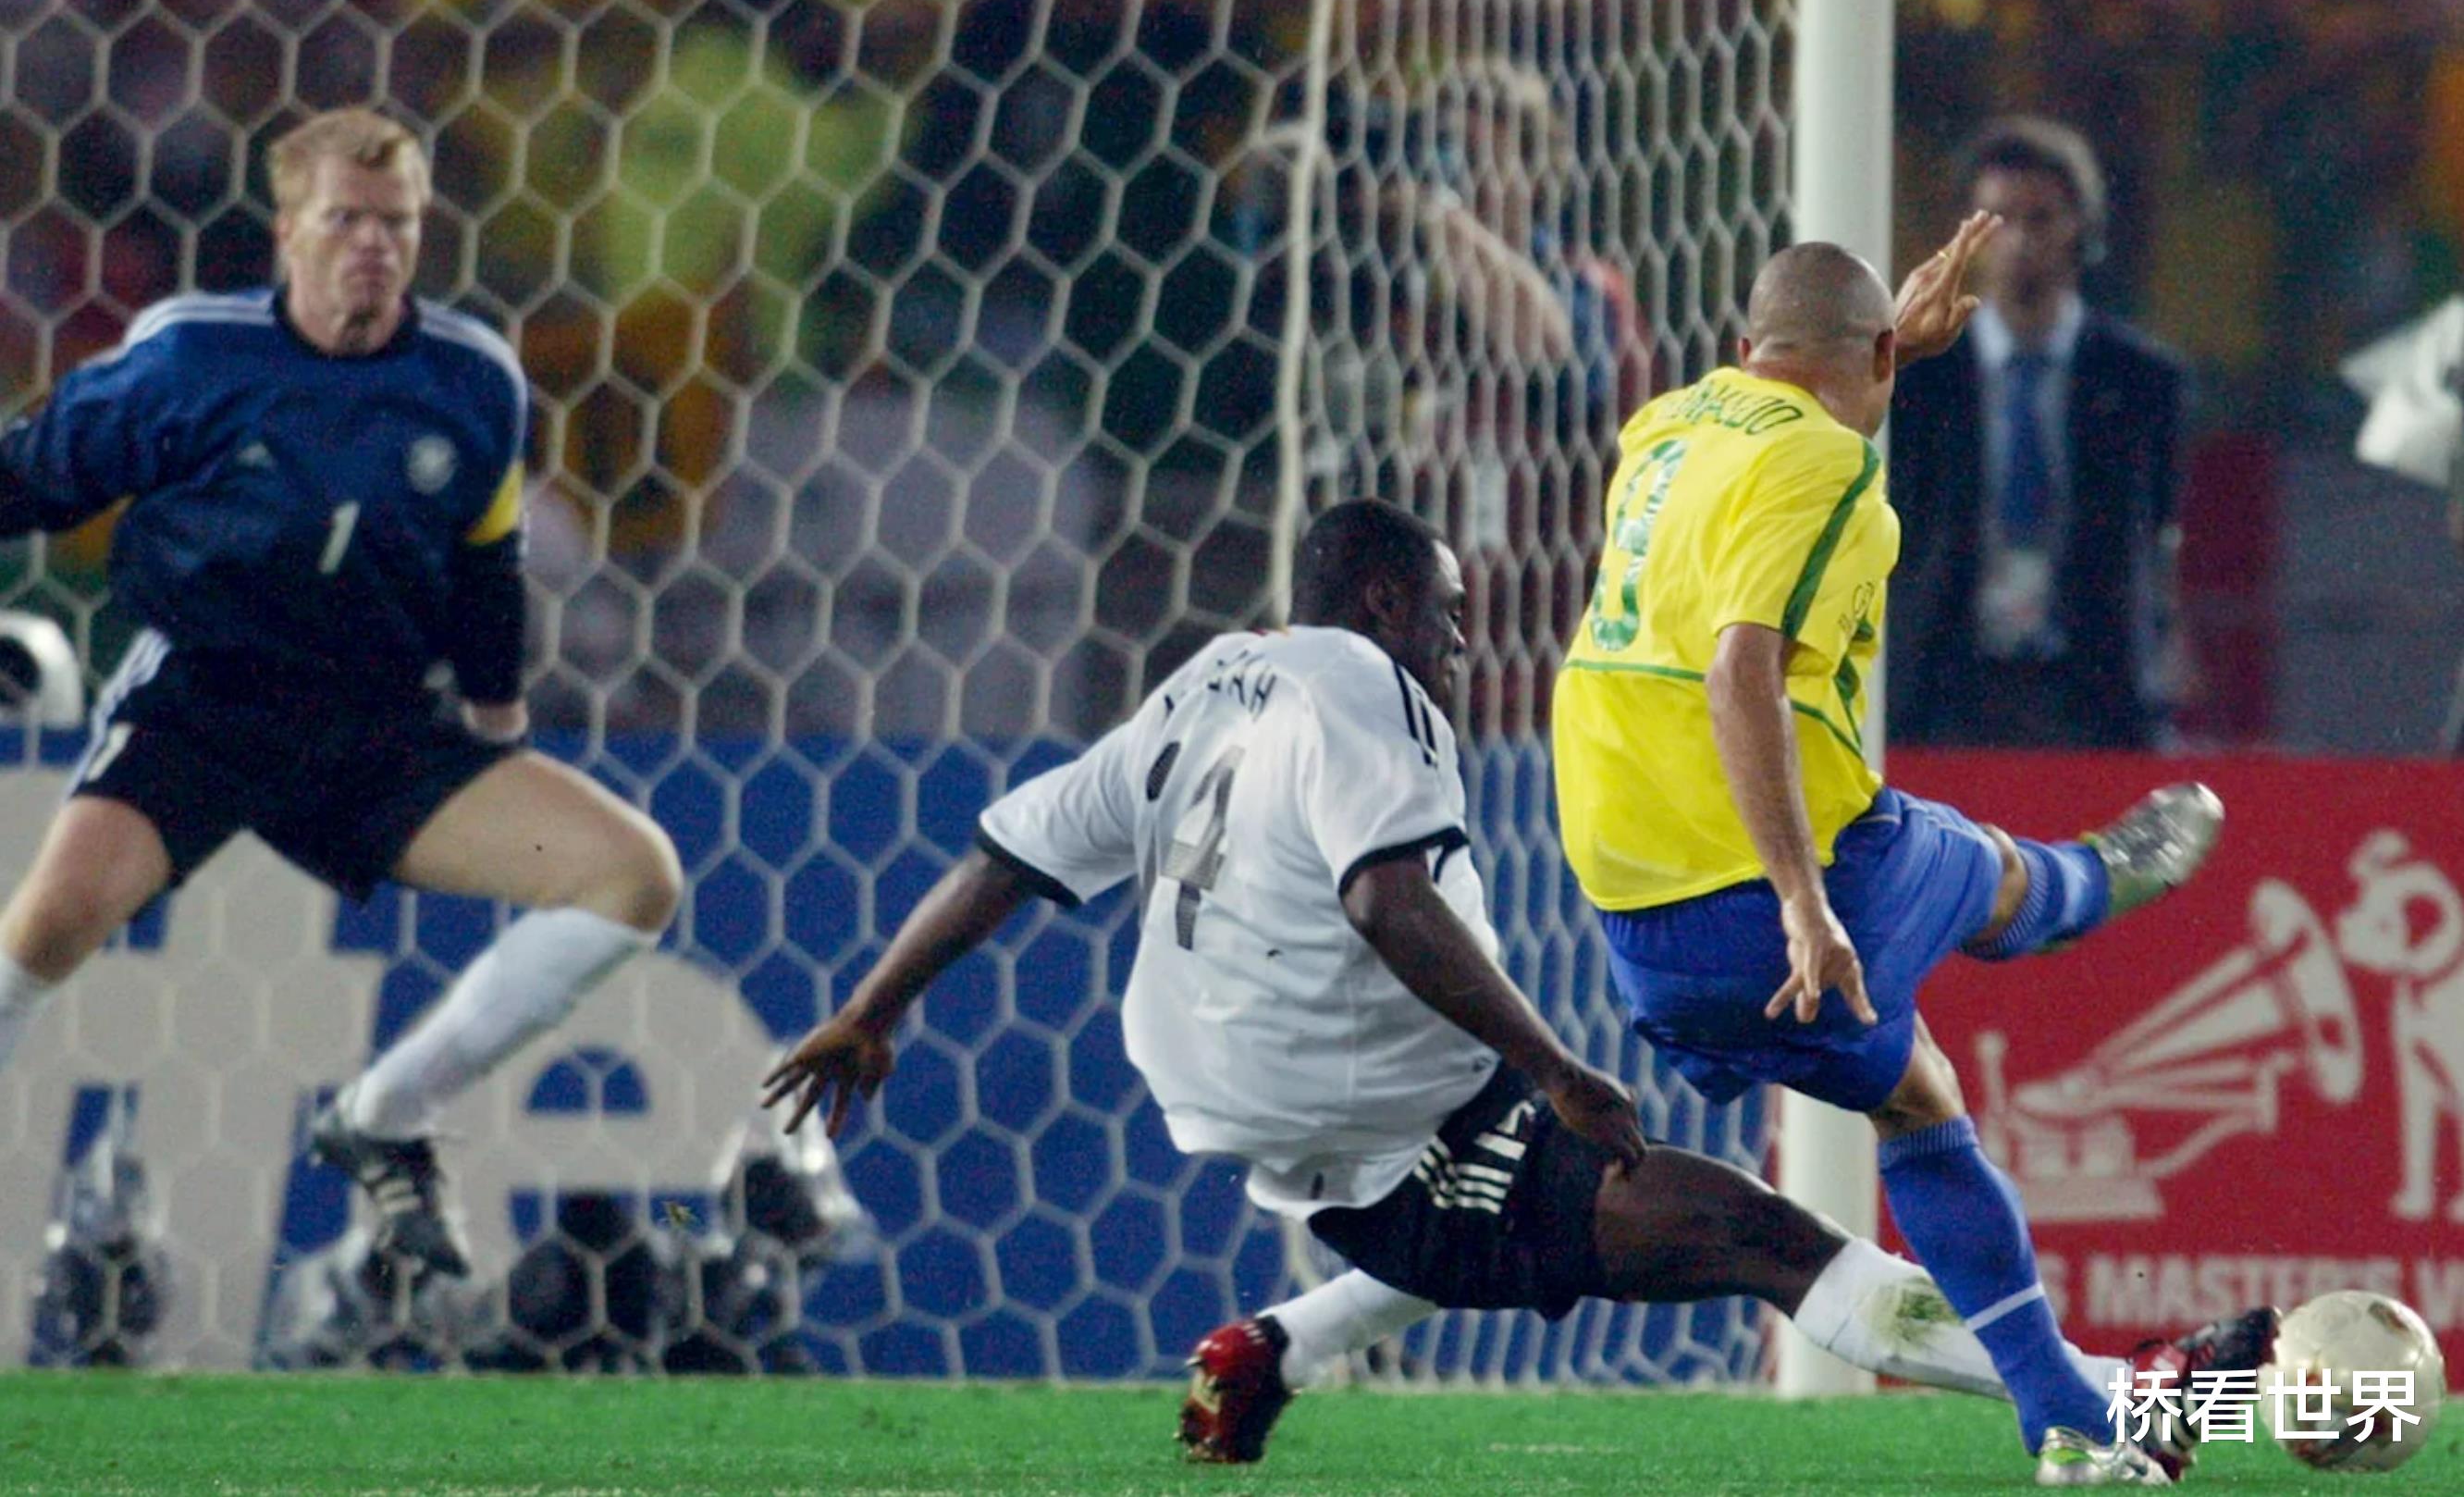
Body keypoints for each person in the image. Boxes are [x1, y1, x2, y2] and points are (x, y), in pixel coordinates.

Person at [761, 499, 2258, 1487]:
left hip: (1269, 1088)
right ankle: (2120, 1399)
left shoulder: (1209, 680)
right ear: (1378, 596)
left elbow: (1009, 852)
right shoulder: (1369, 685)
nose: (1462, 639)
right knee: (1749, 1232)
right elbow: (1387, 898)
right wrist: (1551, 1062)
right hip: (1363, 1103)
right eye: (1449, 609)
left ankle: (1271, 1345)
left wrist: (872, 1007)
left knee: (1487, 1209)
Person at [1532, 221, 2268, 1482]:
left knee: (1915, 1091)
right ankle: (2103, 874)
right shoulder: (1832, 468)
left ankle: (2070, 1419)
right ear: (1875, 354)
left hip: (1636, 929)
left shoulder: (1663, 428)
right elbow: (1742, 669)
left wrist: (1887, 352)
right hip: (1787, 894)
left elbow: (1785, 412)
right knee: (1986, 869)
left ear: (1745, 347)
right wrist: (1801, 900)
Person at [0, 107, 682, 1279]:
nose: (374, 243)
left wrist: (497, 719)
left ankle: (388, 1116)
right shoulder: (189, 358)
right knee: (50, 926)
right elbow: (32, 476)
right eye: (347, 219)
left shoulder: (473, 381)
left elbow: (487, 563)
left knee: (633, 876)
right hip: (204, 700)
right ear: (287, 232)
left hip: (377, 724)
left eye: (398, 223)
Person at [1888, 118, 2190, 749]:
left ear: (2081, 225)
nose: (2021, 240)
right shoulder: (1917, 380)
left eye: (2042, 218)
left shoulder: (2142, 379)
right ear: (1967, 233)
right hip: (1941, 685)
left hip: (2095, 688)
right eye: (1999, 220)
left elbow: (2158, 525)